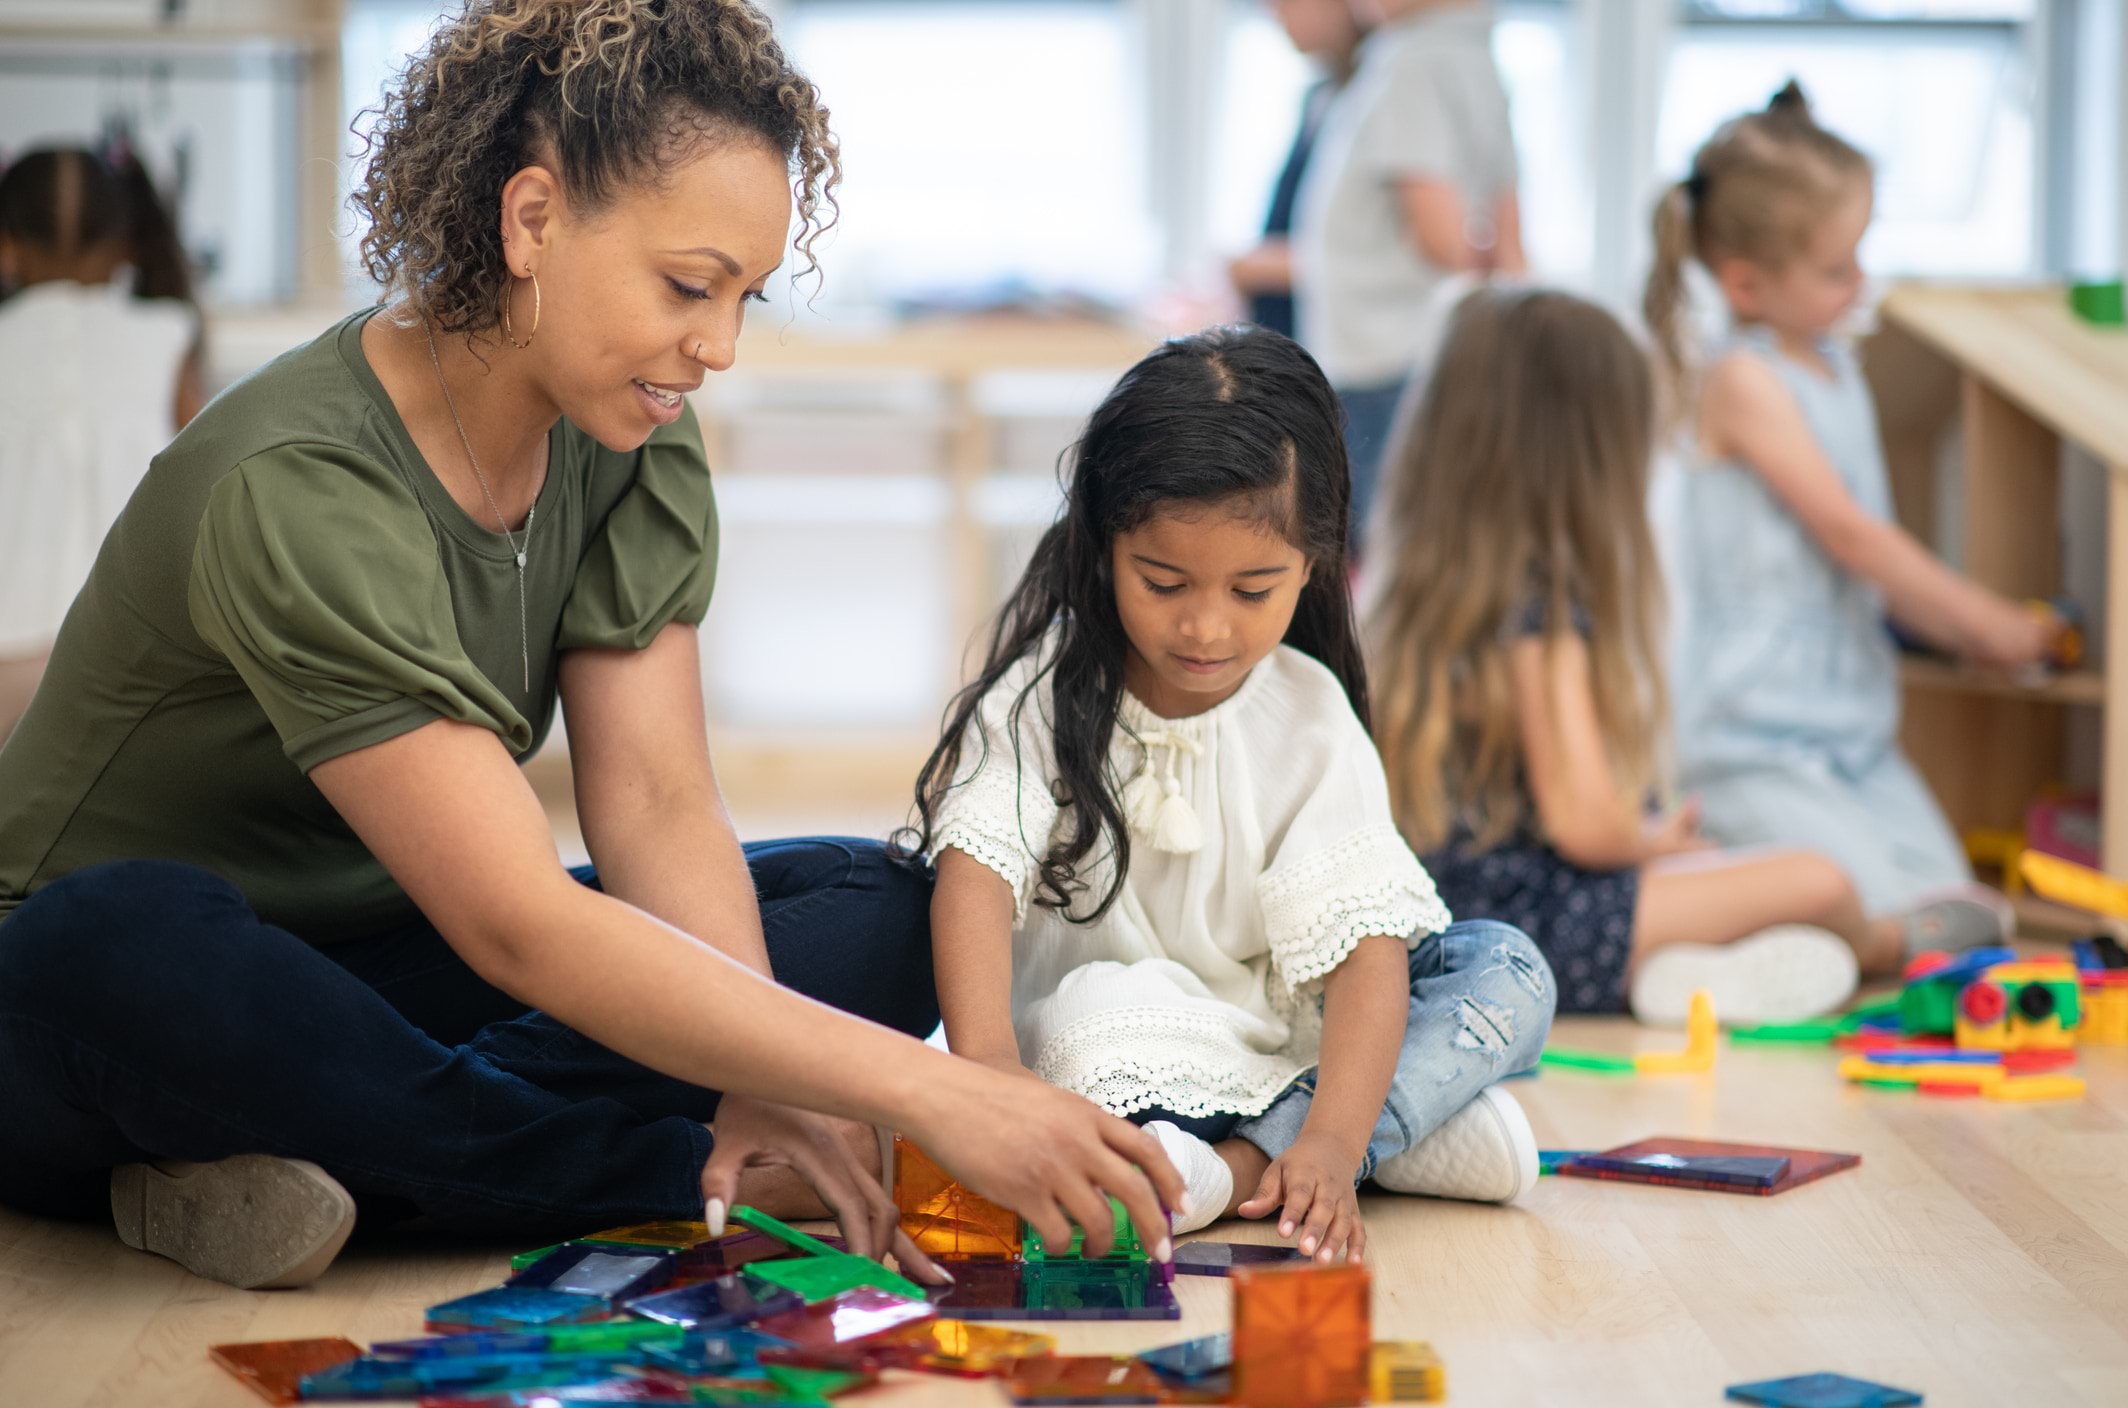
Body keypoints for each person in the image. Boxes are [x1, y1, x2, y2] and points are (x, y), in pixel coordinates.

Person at [0, 0, 1178, 1293]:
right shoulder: (296, 483)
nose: (719, 348)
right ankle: (657, 1175)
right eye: (688, 287)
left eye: (744, 297)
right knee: (119, 936)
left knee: (878, 906)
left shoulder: (626, 428)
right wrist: (942, 1092)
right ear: (532, 221)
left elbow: (661, 804)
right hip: (102, 1005)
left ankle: (327, 1156)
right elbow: (516, 924)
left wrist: (760, 1068)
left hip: (384, 968)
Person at [903, 323, 1556, 1267]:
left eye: (1254, 589)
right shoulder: (1042, 695)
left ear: (1317, 564)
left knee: (1508, 971)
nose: (1206, 626)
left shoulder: (1310, 710)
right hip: (1105, 1046)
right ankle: (1389, 1137)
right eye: (1163, 582)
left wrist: (1332, 1135)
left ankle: (1265, 1161)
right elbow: (972, 880)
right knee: (1095, 1022)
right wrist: (991, 1078)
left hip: (1280, 1048)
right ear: (1104, 547)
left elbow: (1369, 958)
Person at [1367, 287, 2008, 1023]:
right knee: (1818, 881)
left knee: (1725, 871)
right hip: (1534, 935)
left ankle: (1691, 973)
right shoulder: (1541, 609)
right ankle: (1888, 942)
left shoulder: (1423, 594)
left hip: (1463, 925)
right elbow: (1586, 822)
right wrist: (1651, 839)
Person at [1647, 82, 2052, 919]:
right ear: (1747, 284)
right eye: (1837, 269)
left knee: (1963, 915)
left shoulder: (1843, 369)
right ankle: (1710, 936)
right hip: (1753, 742)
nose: (1860, 282)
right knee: (1868, 915)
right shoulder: (1741, 379)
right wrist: (1988, 626)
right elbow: (1851, 535)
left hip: (1854, 738)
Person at [1293, 0, 1523, 547]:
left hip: (1384, 362)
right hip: (1422, 355)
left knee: (1374, 555)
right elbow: (1512, 240)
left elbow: (1442, 235)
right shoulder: (1477, 55)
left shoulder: (1413, 62)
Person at [0, 142, 204, 740]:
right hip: (127, 646)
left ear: (7, 242)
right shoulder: (168, 334)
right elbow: (200, 479)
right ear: (125, 242)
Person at [1226, 0, 1365, 340]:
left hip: (1350, 348)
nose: (1273, 11)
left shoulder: (1380, 98)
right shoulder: (1321, 97)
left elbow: (1377, 251)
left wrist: (1268, 266)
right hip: (1293, 335)